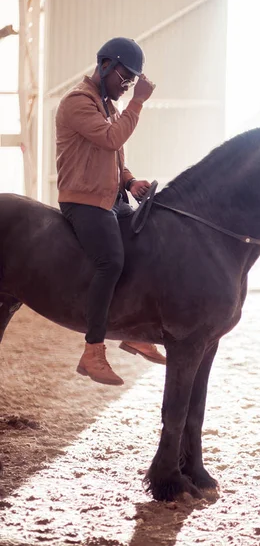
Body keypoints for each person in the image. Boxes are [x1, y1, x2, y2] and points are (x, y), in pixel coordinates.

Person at [56, 37, 166, 387]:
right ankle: (92, 351)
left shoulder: (108, 106)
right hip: (83, 200)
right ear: (105, 65)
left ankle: (134, 331)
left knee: (145, 247)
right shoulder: (77, 102)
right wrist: (138, 103)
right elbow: (110, 140)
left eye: (133, 81)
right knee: (111, 262)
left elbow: (116, 158)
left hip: (111, 197)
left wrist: (131, 182)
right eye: (126, 77)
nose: (128, 85)